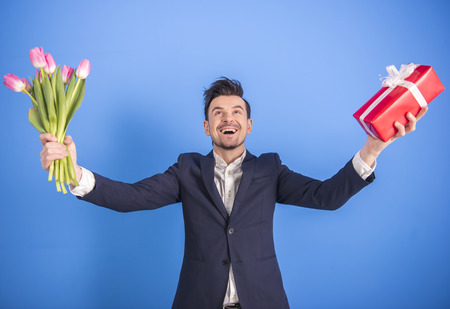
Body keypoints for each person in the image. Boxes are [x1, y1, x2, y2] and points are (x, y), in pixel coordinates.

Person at [39, 78, 427, 309]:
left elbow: (326, 196)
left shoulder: (270, 168)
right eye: (218, 112)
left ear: (249, 124)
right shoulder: (186, 169)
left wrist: (373, 148)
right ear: (207, 127)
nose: (228, 117)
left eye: (237, 111)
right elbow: (130, 197)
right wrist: (73, 172)